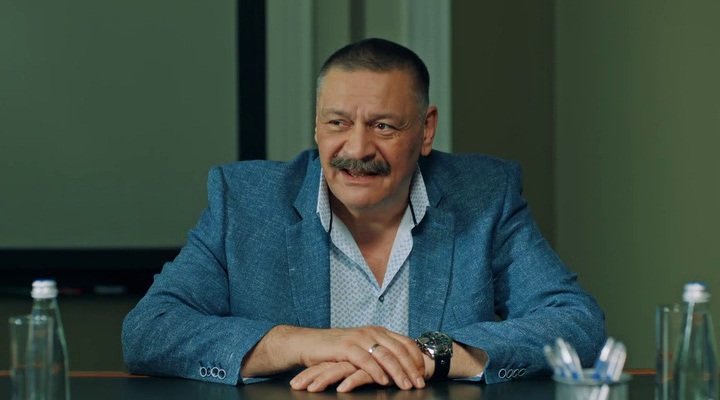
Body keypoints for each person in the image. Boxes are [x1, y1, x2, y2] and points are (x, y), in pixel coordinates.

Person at [122, 38, 605, 393]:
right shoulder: (246, 201)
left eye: (383, 126)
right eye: (337, 123)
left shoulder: (484, 196)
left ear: (426, 130)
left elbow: (576, 322)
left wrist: (432, 353)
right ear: (316, 124)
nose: (356, 149)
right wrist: (300, 343)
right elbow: (150, 330)